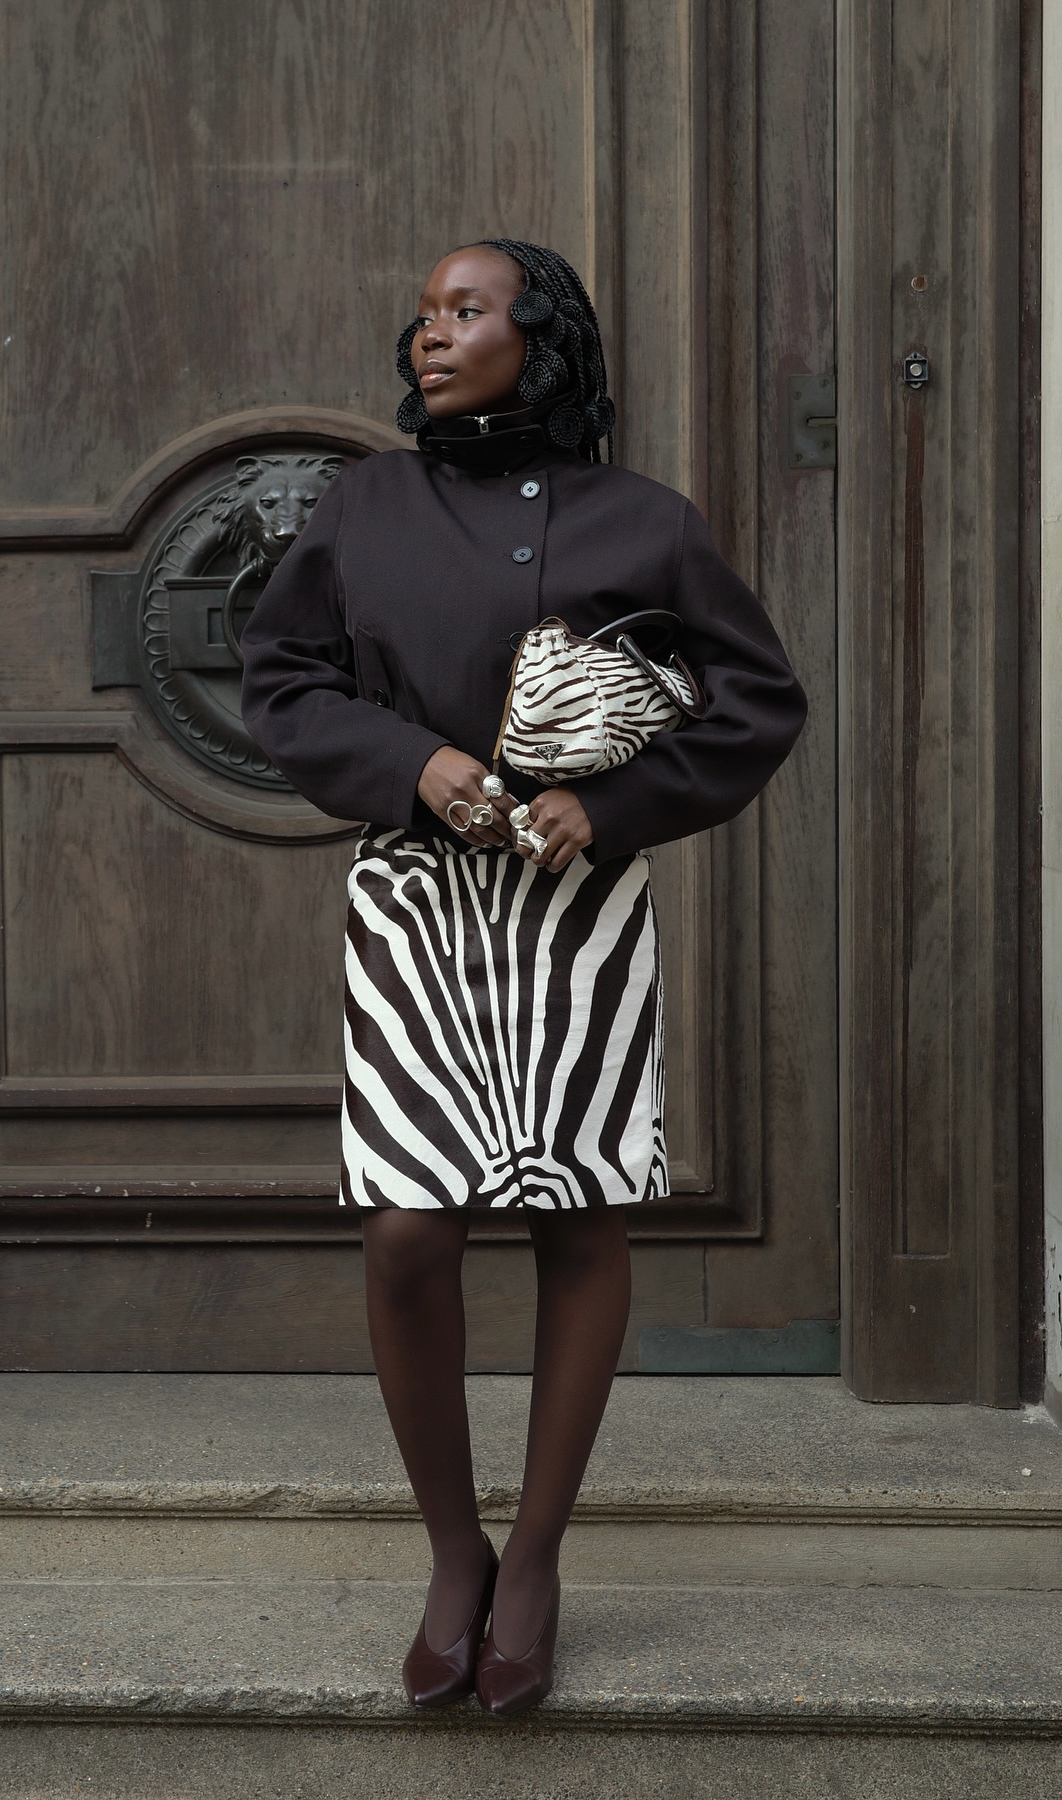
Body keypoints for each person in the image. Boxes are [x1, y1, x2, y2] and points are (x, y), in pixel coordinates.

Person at [240, 240, 806, 1715]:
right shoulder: (366, 506)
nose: (430, 334)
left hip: (578, 911)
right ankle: (454, 1549)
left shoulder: (646, 522)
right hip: (416, 901)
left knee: (577, 1213)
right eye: (424, 312)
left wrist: (610, 805)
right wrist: (413, 762)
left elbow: (758, 699)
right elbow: (281, 677)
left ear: (537, 336)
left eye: (466, 310)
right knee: (407, 1231)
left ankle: (538, 1558)